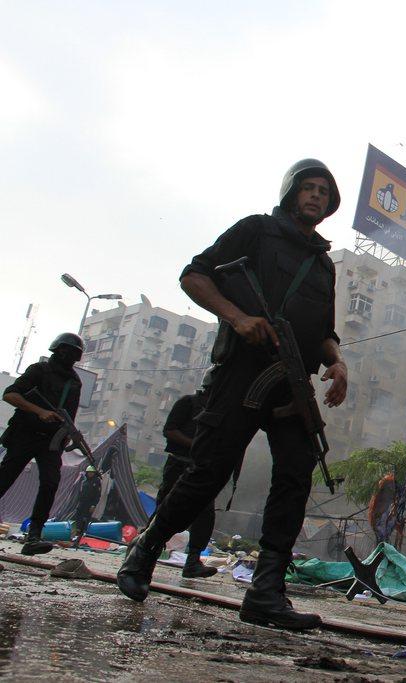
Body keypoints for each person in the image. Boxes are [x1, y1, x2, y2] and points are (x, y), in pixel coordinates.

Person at [117, 159, 348, 631]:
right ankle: (144, 552)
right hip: (242, 371)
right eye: (308, 187)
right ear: (291, 193)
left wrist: (337, 361)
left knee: (294, 478)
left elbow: (323, 330)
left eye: (324, 191)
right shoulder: (256, 232)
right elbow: (194, 276)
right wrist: (236, 317)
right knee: (208, 472)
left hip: (292, 380)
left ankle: (266, 591)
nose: (316, 196)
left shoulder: (324, 265)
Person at [0, 333, 84, 556]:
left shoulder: (74, 382)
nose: (69, 357)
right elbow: (10, 395)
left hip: (50, 441)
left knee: (50, 483)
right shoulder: (38, 370)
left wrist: (71, 434)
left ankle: (35, 534)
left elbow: (70, 414)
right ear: (56, 350)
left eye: (74, 354)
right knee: (5, 478)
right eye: (66, 352)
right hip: (25, 433)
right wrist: (39, 411)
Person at [158, 376, 218, 578]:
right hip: (179, 463)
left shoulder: (218, 410)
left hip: (202, 468)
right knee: (165, 508)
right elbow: (170, 430)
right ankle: (145, 550)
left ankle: (193, 560)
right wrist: (195, 445)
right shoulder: (188, 402)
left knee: (205, 514)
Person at [71, 465, 102, 548]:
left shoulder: (96, 482)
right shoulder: (84, 481)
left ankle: (83, 535)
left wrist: (93, 505)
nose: (90, 474)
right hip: (82, 503)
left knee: (85, 519)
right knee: (78, 517)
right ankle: (76, 534)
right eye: (89, 473)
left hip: (89, 504)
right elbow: (81, 493)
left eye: (92, 473)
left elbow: (97, 495)